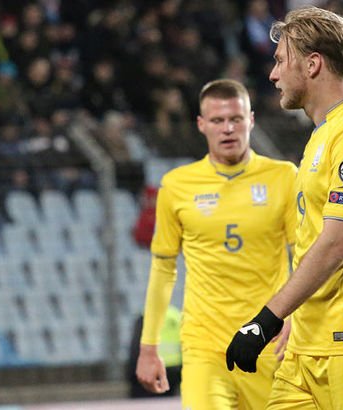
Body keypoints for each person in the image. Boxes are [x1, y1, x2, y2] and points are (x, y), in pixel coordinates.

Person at [226, 7, 343, 409]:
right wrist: (294, 315)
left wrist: (266, 320)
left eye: (280, 61)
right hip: (304, 348)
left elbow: (337, 242)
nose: (272, 75)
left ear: (312, 65)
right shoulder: (321, 139)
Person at [136, 79, 298, 410]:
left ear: (251, 120)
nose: (228, 129)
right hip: (205, 347)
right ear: (201, 124)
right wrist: (148, 347)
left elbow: (305, 256)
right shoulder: (177, 186)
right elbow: (163, 268)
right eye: (217, 120)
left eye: (236, 119)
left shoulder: (284, 177)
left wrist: (299, 317)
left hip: (268, 342)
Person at [127, 305, 182, 398]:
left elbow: (136, 348)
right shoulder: (177, 316)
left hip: (151, 368)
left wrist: (132, 375)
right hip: (174, 369)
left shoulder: (145, 316)